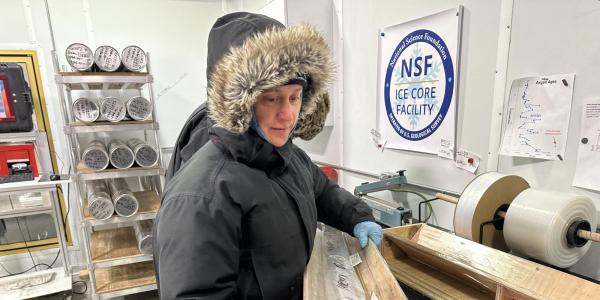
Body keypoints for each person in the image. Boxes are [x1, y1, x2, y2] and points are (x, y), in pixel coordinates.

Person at [153, 12, 383, 299]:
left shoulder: (289, 158)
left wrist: (357, 216)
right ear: (240, 101)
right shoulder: (203, 194)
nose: (287, 114)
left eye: (295, 96)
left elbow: (323, 192)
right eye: (272, 97)